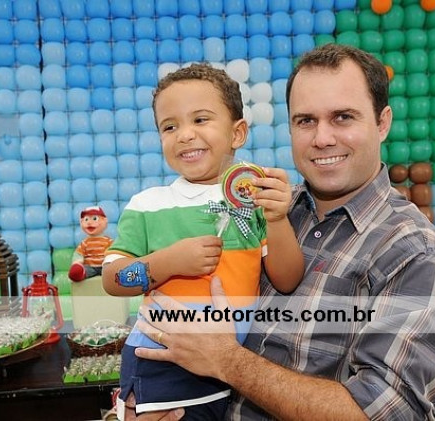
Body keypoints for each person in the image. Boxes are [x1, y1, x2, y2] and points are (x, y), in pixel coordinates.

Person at [134, 44, 435, 420]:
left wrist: (228, 361)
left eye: (343, 117)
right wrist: (147, 394)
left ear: (382, 123)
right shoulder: (259, 209)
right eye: (305, 121)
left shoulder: (416, 253)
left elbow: (387, 412)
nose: (322, 138)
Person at [102, 64, 304, 420]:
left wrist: (276, 219)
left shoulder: (253, 199)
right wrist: (167, 262)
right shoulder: (148, 205)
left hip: (231, 368)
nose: (184, 135)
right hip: (161, 361)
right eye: (169, 126)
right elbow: (113, 279)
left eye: (200, 119)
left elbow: (287, 279)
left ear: (237, 133)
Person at [68, 206, 113, 282]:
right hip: (90, 267)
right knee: (83, 270)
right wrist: (77, 262)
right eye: (86, 219)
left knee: (111, 270)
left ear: (104, 221)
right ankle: (79, 273)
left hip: (104, 266)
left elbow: (113, 252)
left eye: (94, 219)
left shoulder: (108, 241)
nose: (89, 222)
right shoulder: (85, 242)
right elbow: (78, 254)